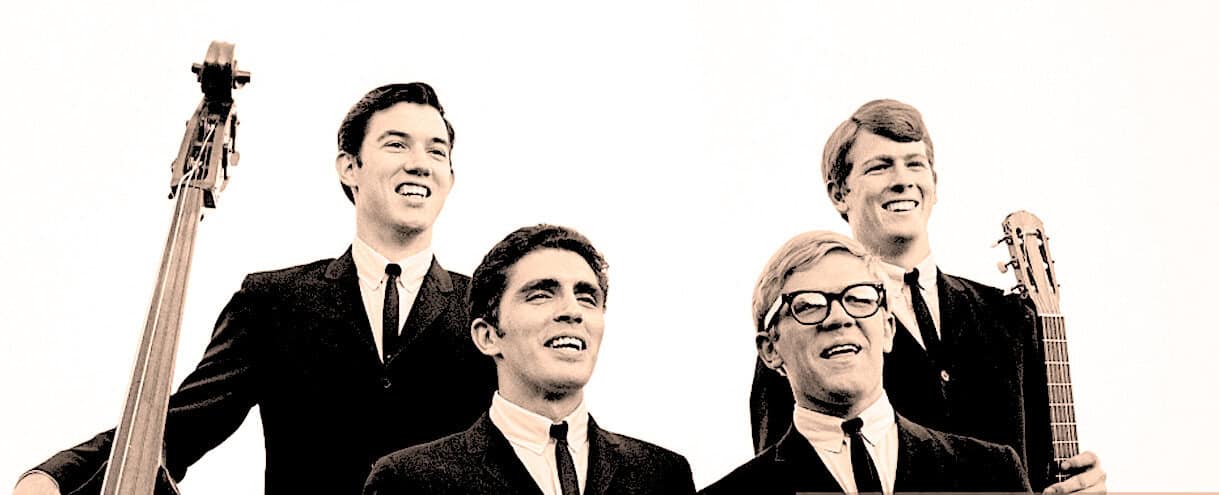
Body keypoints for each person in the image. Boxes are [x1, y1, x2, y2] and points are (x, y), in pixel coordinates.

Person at [13, 83, 497, 495]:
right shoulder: (273, 302)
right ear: (349, 167)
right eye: (397, 145)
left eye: (437, 151)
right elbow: (178, 427)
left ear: (450, 177)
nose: (420, 163)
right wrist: (55, 476)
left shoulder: (491, 310)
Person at [750, 99, 1105, 493]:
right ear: (839, 194)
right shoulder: (808, 331)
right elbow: (784, 471)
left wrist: (1078, 485)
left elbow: (1043, 463)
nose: (902, 180)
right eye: (880, 166)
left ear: (934, 185)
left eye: (915, 164)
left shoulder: (1009, 316)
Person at [364, 225, 696, 495]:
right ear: (488, 336)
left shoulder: (663, 476)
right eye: (540, 294)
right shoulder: (410, 482)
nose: (572, 311)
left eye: (587, 297)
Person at [703, 231, 1031, 494]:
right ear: (770, 350)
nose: (839, 317)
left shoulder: (991, 471)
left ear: (888, 329)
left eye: (859, 298)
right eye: (809, 305)